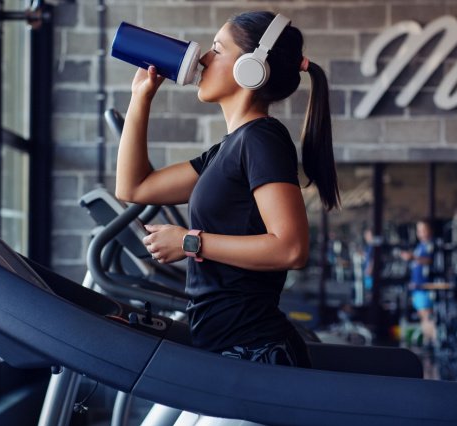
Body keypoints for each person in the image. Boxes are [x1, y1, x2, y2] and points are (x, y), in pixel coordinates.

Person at [115, 11, 339, 369]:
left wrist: (190, 241)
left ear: (250, 68)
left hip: (252, 352)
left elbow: (291, 248)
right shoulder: (227, 150)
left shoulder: (262, 139)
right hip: (229, 349)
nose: (204, 57)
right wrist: (140, 97)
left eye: (218, 49)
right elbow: (134, 187)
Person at [400, 219, 436, 346]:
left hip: (425, 287)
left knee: (427, 316)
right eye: (419, 230)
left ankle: (432, 344)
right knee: (423, 316)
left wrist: (413, 257)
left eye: (424, 229)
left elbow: (430, 261)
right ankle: (428, 342)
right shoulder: (420, 246)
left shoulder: (431, 245)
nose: (421, 233)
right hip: (417, 288)